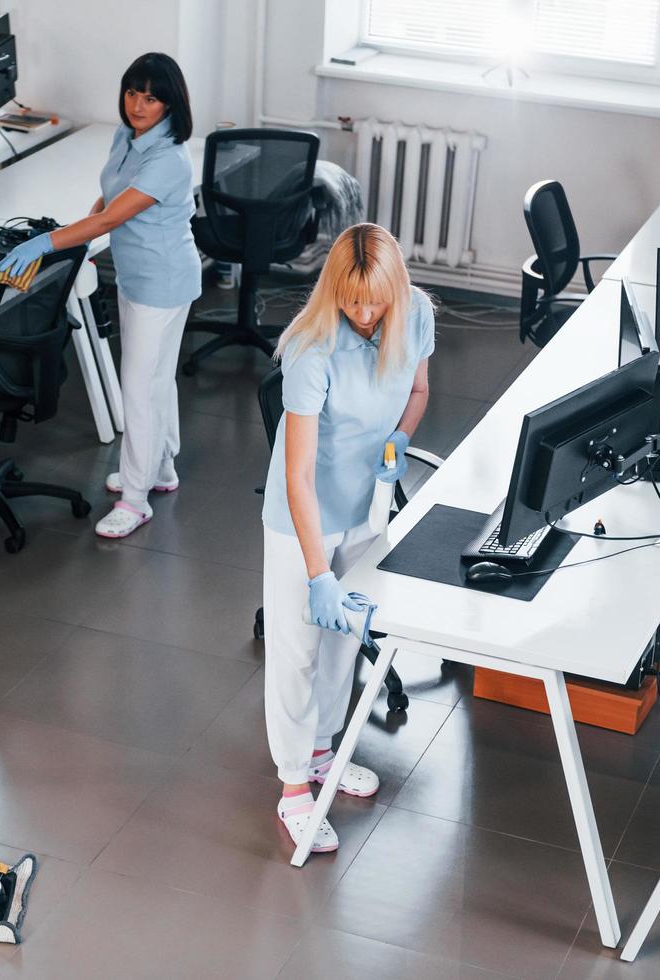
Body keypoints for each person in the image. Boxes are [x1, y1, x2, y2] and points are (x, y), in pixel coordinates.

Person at [260, 224, 434, 854]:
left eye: (376, 302)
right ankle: (292, 790)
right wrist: (317, 574)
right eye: (352, 300)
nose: (364, 314)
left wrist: (401, 437)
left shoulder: (414, 317)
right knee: (298, 649)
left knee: (341, 646)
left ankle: (322, 755)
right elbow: (298, 477)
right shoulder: (312, 349)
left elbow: (416, 390)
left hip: (366, 505)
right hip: (303, 515)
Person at [0, 52, 201, 539]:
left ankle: (135, 499)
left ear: (170, 104)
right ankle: (162, 469)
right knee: (154, 381)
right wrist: (79, 237)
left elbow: (112, 218)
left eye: (151, 97)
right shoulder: (126, 137)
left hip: (162, 282)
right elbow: (108, 201)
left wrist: (44, 242)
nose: (138, 104)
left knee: (138, 388)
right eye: (133, 92)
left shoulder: (169, 159)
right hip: (136, 276)